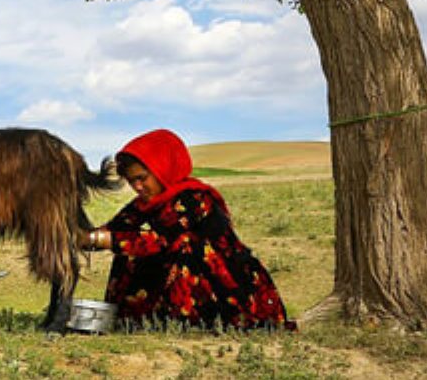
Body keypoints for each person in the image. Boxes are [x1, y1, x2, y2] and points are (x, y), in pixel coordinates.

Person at [81, 129, 295, 332]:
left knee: (162, 248)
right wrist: (78, 237)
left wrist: (101, 239)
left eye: (142, 178)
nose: (137, 187)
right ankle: (138, 320)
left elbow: (158, 240)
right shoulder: (144, 205)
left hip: (220, 289)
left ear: (162, 169)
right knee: (128, 245)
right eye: (131, 181)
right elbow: (116, 229)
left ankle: (185, 322)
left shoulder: (194, 199)